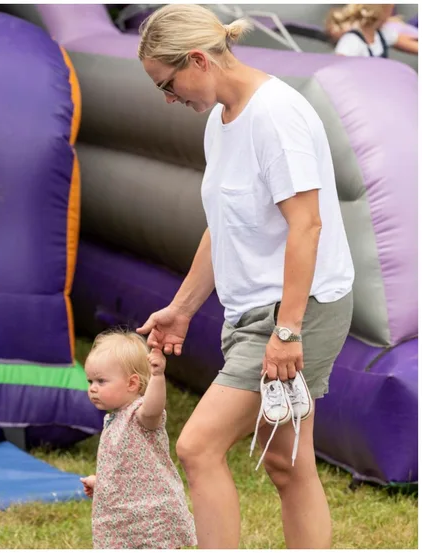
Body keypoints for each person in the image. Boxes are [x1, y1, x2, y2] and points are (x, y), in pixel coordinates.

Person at [136, 5, 354, 548]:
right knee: (286, 461)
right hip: (252, 310)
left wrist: (288, 330)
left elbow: (307, 226)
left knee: (198, 446)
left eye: (167, 84)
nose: (168, 98)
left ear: (196, 60)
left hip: (298, 309)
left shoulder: (275, 116)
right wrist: (182, 307)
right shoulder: (220, 121)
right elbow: (224, 225)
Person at [79, 330, 197, 549]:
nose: (93, 388)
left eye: (101, 381)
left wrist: (158, 376)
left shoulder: (140, 415)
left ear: (132, 384)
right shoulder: (113, 419)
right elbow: (124, 466)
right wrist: (102, 483)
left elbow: (154, 408)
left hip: (151, 516)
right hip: (124, 517)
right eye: (90, 381)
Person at [327, 4, 418, 56]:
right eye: (390, 10)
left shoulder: (381, 34)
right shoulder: (352, 41)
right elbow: (337, 71)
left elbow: (412, 45)